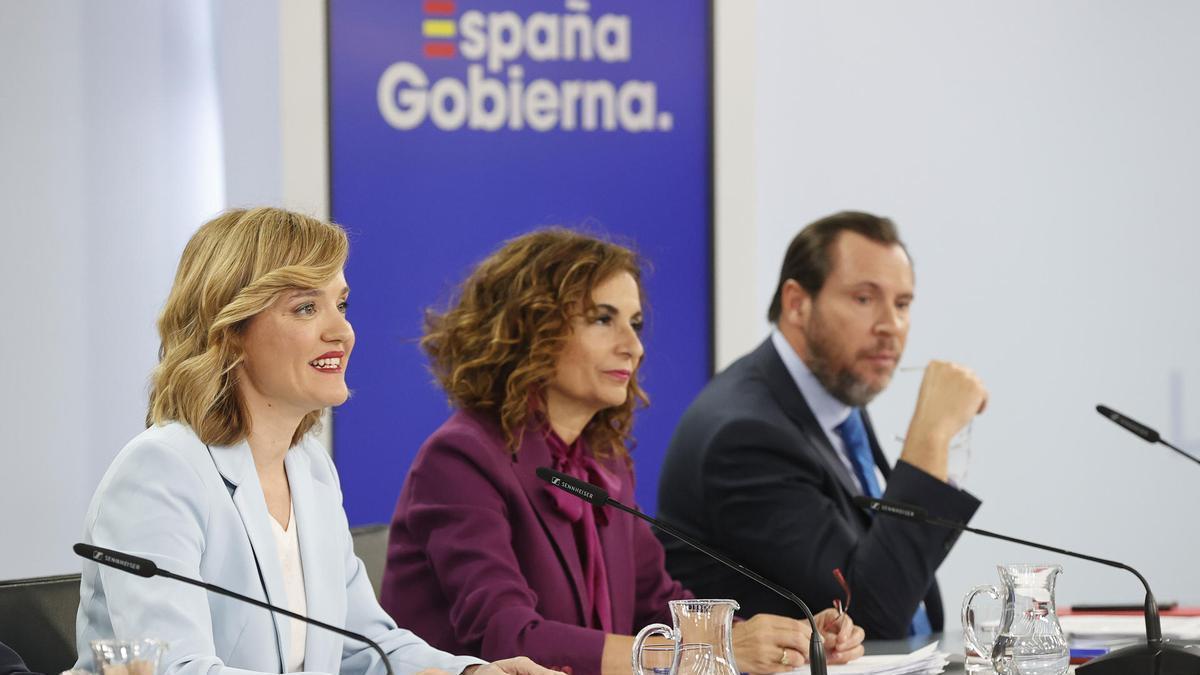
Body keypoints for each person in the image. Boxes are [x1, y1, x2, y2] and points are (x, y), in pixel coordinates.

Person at [75, 208, 559, 675]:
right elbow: (174, 671)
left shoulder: (309, 468)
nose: (342, 331)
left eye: (341, 304)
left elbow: (365, 647)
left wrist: (469, 672)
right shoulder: (160, 471)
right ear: (230, 329)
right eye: (306, 307)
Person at [380, 229, 865, 675]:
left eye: (634, 323)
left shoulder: (602, 462)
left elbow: (656, 607)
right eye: (602, 319)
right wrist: (712, 652)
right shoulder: (460, 460)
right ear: (528, 328)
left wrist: (788, 638)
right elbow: (507, 639)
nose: (633, 347)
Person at [657, 211, 988, 640]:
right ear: (797, 303)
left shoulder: (831, 394)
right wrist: (930, 438)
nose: (891, 326)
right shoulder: (745, 435)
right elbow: (870, 617)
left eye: (902, 304)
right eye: (864, 299)